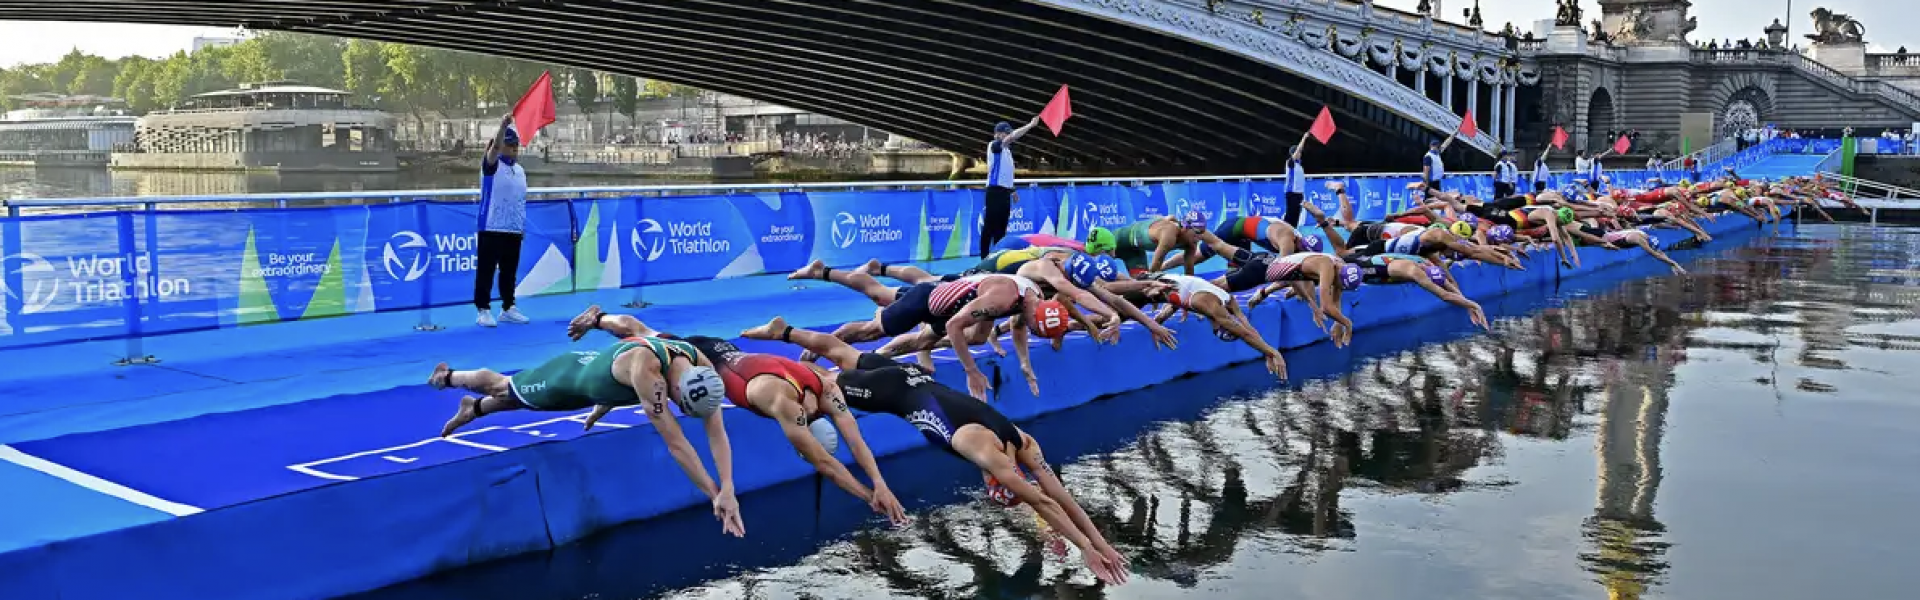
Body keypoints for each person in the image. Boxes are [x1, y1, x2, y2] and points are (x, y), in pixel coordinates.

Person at [743, 316, 1131, 585]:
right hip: (894, 394)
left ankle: (785, 331)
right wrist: (1087, 551)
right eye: (993, 487)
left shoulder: (1022, 441)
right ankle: (779, 374)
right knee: (826, 382)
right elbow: (1045, 503)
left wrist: (1101, 544)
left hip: (911, 377)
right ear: (997, 478)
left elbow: (1060, 497)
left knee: (840, 351)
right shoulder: (993, 457)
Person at [566, 306, 910, 526]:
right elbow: (825, 464)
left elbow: (855, 439)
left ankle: (610, 387)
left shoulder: (825, 387)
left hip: (726, 350)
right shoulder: (782, 406)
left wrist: (880, 483)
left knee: (645, 334)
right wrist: (869, 498)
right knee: (640, 336)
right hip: (700, 360)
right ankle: (599, 318)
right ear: (805, 429)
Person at [424, 333, 745, 536]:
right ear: (676, 389)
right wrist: (713, 496)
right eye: (681, 406)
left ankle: (474, 409)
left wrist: (728, 488)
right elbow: (678, 445)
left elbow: (716, 430)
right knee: (505, 387)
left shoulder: (698, 364)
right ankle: (450, 377)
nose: (678, 408)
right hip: (571, 376)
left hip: (605, 384)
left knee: (527, 402)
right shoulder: (650, 378)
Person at [787, 260, 1075, 399]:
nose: (1033, 331)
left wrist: (1024, 364)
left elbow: (1017, 330)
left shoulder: (1032, 301)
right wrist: (971, 371)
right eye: (1039, 330)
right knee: (871, 325)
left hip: (954, 302)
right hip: (931, 301)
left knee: (963, 337)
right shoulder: (1003, 300)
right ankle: (828, 326)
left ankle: (879, 353)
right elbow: (954, 325)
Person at [475, 115, 532, 327]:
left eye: (516, 144)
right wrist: (502, 126)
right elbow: (495, 146)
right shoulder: (491, 166)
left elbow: (519, 200)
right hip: (491, 226)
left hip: (513, 229)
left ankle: (508, 307)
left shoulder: (520, 171)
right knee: (486, 271)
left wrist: (521, 225)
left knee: (509, 272)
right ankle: (483, 309)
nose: (514, 148)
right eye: (510, 145)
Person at [984, 118, 1042, 258]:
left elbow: (1006, 173)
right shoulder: (994, 146)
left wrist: (1013, 190)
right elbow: (1013, 136)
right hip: (994, 190)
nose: (1008, 136)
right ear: (997, 134)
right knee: (990, 225)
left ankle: (998, 255)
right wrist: (1030, 125)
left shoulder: (1007, 152)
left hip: (1004, 191)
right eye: (1005, 134)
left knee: (1002, 225)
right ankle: (984, 256)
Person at [1283, 138, 1310, 226]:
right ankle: (1284, 234)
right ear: (1293, 154)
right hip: (1292, 193)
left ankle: (1294, 234)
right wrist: (1304, 138)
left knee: (1296, 216)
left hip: (1299, 194)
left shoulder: (1299, 165)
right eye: (1298, 152)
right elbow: (1299, 148)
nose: (1300, 154)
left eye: (1300, 153)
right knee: (1290, 216)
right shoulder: (1290, 163)